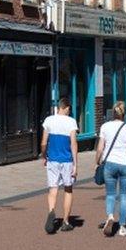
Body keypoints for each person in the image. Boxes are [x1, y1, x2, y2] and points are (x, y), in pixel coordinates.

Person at [95, 101, 126, 237]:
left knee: (110, 194)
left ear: (112, 113)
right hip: (125, 165)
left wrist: (97, 162)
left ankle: (109, 217)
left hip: (110, 164)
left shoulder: (105, 126)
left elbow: (100, 148)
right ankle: (123, 226)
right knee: (124, 196)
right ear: (124, 114)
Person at [41, 97, 79, 233]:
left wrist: (44, 156)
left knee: (53, 189)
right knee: (68, 189)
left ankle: (51, 211)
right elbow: (73, 143)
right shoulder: (71, 122)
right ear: (66, 107)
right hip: (67, 160)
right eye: (69, 109)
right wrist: (76, 164)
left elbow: (44, 142)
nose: (69, 111)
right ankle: (66, 221)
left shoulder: (49, 120)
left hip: (53, 160)